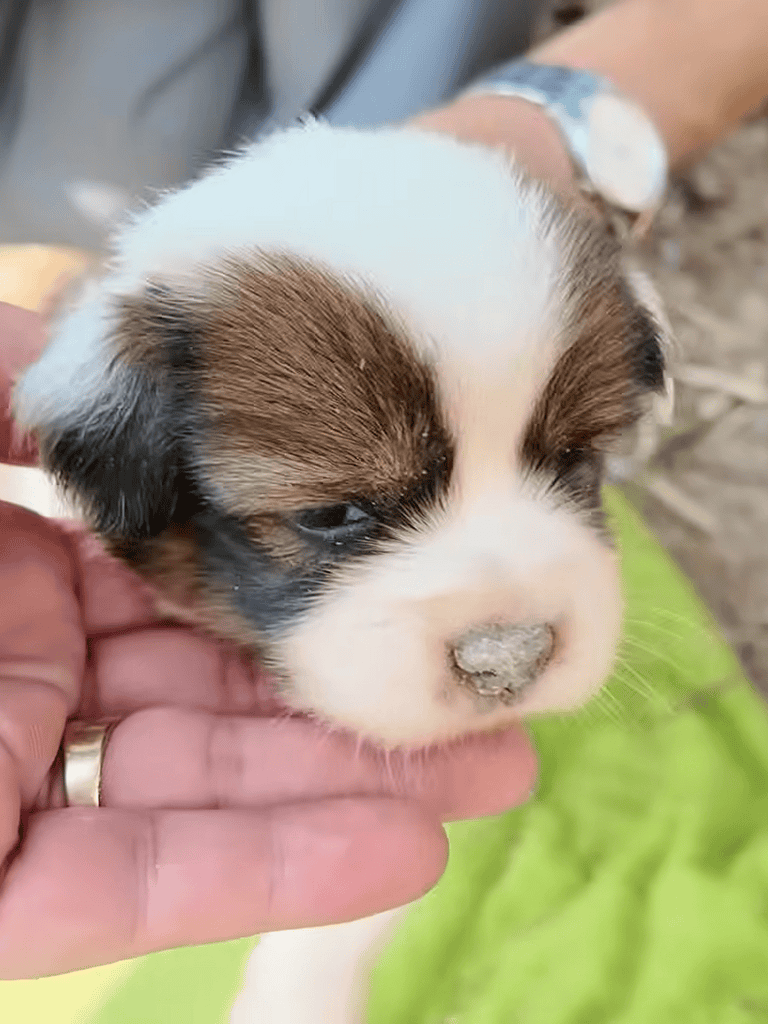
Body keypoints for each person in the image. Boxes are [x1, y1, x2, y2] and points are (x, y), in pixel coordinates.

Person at [2, 0, 768, 982]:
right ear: (111, 466)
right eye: (333, 514)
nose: (511, 634)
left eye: (570, 458)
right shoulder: (125, 394)